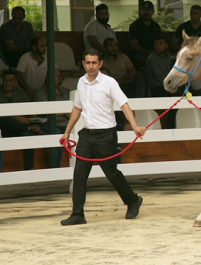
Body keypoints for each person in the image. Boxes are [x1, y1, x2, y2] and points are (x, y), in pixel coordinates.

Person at [60, 49, 147, 226]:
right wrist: (67, 131)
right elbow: (77, 108)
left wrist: (135, 126)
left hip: (106, 135)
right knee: (79, 173)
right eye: (88, 63)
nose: (91, 66)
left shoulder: (109, 82)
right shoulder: (81, 82)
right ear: (83, 64)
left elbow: (124, 104)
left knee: (111, 172)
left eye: (94, 63)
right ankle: (77, 214)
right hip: (86, 134)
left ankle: (133, 200)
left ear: (100, 64)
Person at [0, 70, 39, 171]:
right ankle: (28, 128)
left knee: (28, 136)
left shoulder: (19, 92)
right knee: (5, 119)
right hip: (2, 128)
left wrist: (35, 121)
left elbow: (28, 108)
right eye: (5, 80)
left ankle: (28, 169)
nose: (7, 83)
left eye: (11, 80)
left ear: (15, 81)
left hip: (19, 129)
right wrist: (17, 117)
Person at [33, 67, 70, 163]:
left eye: (55, 76)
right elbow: (44, 111)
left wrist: (65, 114)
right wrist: (64, 113)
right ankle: (56, 169)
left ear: (60, 79)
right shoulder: (40, 92)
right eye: (49, 76)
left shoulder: (66, 91)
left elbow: (74, 110)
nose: (51, 78)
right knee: (57, 136)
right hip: (50, 124)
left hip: (68, 125)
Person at [129, 0, 162, 69]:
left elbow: (160, 42)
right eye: (144, 10)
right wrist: (147, 52)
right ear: (141, 11)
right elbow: (134, 45)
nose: (146, 12)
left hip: (155, 54)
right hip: (139, 55)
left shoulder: (156, 26)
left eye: (149, 10)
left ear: (153, 11)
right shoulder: (135, 26)